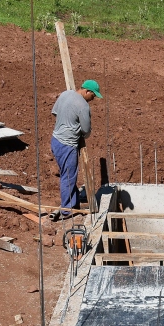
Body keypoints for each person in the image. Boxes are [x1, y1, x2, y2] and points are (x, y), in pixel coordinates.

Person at [50, 79, 102, 221]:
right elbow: (86, 130)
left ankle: (73, 203)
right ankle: (67, 210)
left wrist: (67, 121)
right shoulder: (83, 106)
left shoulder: (65, 94)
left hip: (55, 140)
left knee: (67, 174)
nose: (93, 99)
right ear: (87, 91)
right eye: (93, 95)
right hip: (67, 145)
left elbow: (55, 112)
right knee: (68, 177)